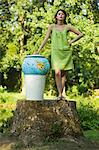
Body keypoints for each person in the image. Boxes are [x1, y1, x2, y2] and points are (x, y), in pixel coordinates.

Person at [36, 9, 83, 100]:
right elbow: (46, 38)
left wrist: (71, 42)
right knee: (57, 72)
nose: (61, 15)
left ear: (64, 16)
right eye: (59, 14)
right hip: (56, 52)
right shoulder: (52, 27)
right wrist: (39, 50)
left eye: (62, 14)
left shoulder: (68, 27)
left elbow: (81, 34)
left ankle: (61, 94)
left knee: (63, 74)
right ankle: (60, 94)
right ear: (56, 16)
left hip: (65, 51)